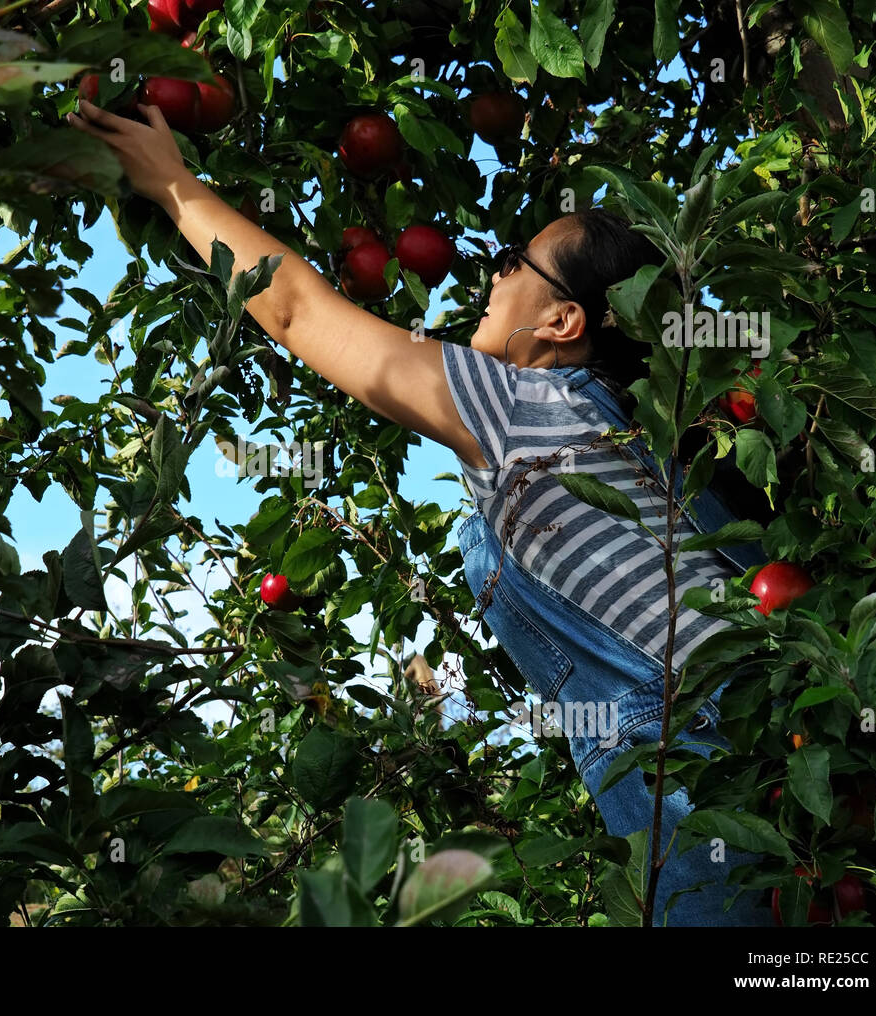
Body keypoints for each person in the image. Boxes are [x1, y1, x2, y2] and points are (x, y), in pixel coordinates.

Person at [69, 99, 774, 926]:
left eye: (515, 262)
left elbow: (295, 308)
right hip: (779, 736)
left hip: (689, 764)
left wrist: (173, 183)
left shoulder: (527, 405)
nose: (491, 274)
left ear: (562, 321)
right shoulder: (653, 443)